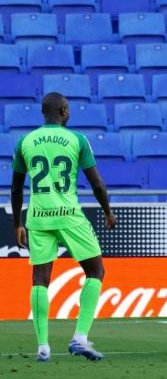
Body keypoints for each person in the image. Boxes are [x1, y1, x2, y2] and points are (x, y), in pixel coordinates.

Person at [11, 92, 117, 362]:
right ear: (63, 111)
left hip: (39, 216)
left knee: (40, 280)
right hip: (70, 215)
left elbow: (16, 186)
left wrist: (18, 224)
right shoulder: (77, 140)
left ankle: (43, 346)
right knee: (96, 270)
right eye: (68, 110)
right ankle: (80, 337)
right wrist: (107, 211)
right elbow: (96, 183)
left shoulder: (25, 141)